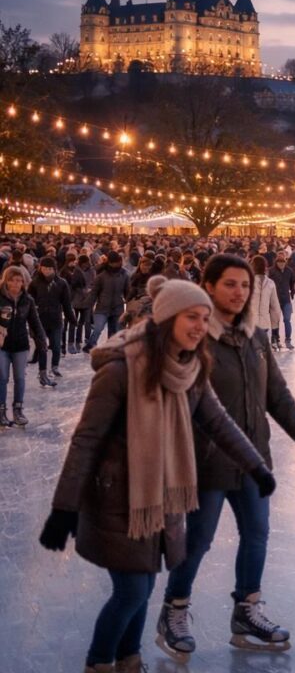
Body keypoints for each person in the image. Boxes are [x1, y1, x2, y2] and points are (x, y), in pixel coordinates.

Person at [39, 275, 275, 673]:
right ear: (168, 317)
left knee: (144, 586)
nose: (202, 326)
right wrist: (64, 508)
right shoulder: (119, 371)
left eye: (205, 317)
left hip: (161, 499)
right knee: (132, 590)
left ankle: (129, 660)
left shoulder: (189, 365)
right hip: (118, 499)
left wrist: (255, 465)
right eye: (192, 317)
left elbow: (218, 422)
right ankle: (99, 663)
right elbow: (86, 440)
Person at [155, 255, 295, 662]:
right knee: (198, 540)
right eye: (230, 284)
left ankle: (247, 611)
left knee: (257, 534)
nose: (239, 292)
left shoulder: (257, 338)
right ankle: (173, 611)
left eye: (245, 285)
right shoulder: (193, 337)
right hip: (207, 461)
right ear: (208, 286)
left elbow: (277, 396)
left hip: (252, 458)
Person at [0, 266, 46, 426]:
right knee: (2, 377)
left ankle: (18, 410)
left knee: (20, 378)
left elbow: (35, 321)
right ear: (6, 281)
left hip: (20, 344)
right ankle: (1, 411)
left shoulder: (27, 300)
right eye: (12, 280)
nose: (16, 283)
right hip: (2, 346)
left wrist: (41, 339)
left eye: (19, 280)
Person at [30, 256, 74, 387]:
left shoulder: (61, 283)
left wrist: (71, 318)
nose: (47, 271)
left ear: (54, 269)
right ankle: (42, 373)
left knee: (56, 345)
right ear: (40, 268)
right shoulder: (35, 283)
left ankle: (55, 366)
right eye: (44, 268)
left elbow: (66, 303)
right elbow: (29, 302)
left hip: (55, 319)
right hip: (40, 320)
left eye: (49, 269)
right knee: (42, 347)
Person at [85, 251, 128, 351]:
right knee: (98, 328)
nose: (117, 264)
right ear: (110, 263)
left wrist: (129, 302)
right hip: (102, 307)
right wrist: (87, 304)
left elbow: (127, 291)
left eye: (118, 262)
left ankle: (112, 348)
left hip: (117, 307)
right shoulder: (102, 276)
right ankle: (91, 344)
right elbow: (94, 292)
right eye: (115, 262)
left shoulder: (124, 274)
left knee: (115, 331)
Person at [267, 255, 295, 349]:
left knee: (287, 320)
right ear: (276, 263)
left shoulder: (289, 270)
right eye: (279, 263)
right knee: (275, 321)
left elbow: (293, 281)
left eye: (283, 263)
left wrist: (293, 292)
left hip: (286, 299)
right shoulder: (271, 271)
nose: (281, 265)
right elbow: (267, 284)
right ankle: (275, 339)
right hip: (274, 299)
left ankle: (288, 340)